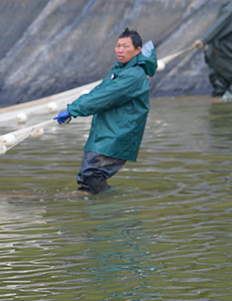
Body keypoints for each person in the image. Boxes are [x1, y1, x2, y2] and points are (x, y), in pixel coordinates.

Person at [53, 27, 157, 196]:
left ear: (138, 50)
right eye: (118, 46)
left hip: (118, 135)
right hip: (103, 133)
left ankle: (112, 206)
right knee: (86, 180)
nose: (120, 50)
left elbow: (103, 96)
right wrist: (72, 107)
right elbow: (97, 91)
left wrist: (73, 110)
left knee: (92, 175)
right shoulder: (119, 70)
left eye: (125, 46)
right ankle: (92, 215)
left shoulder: (134, 75)